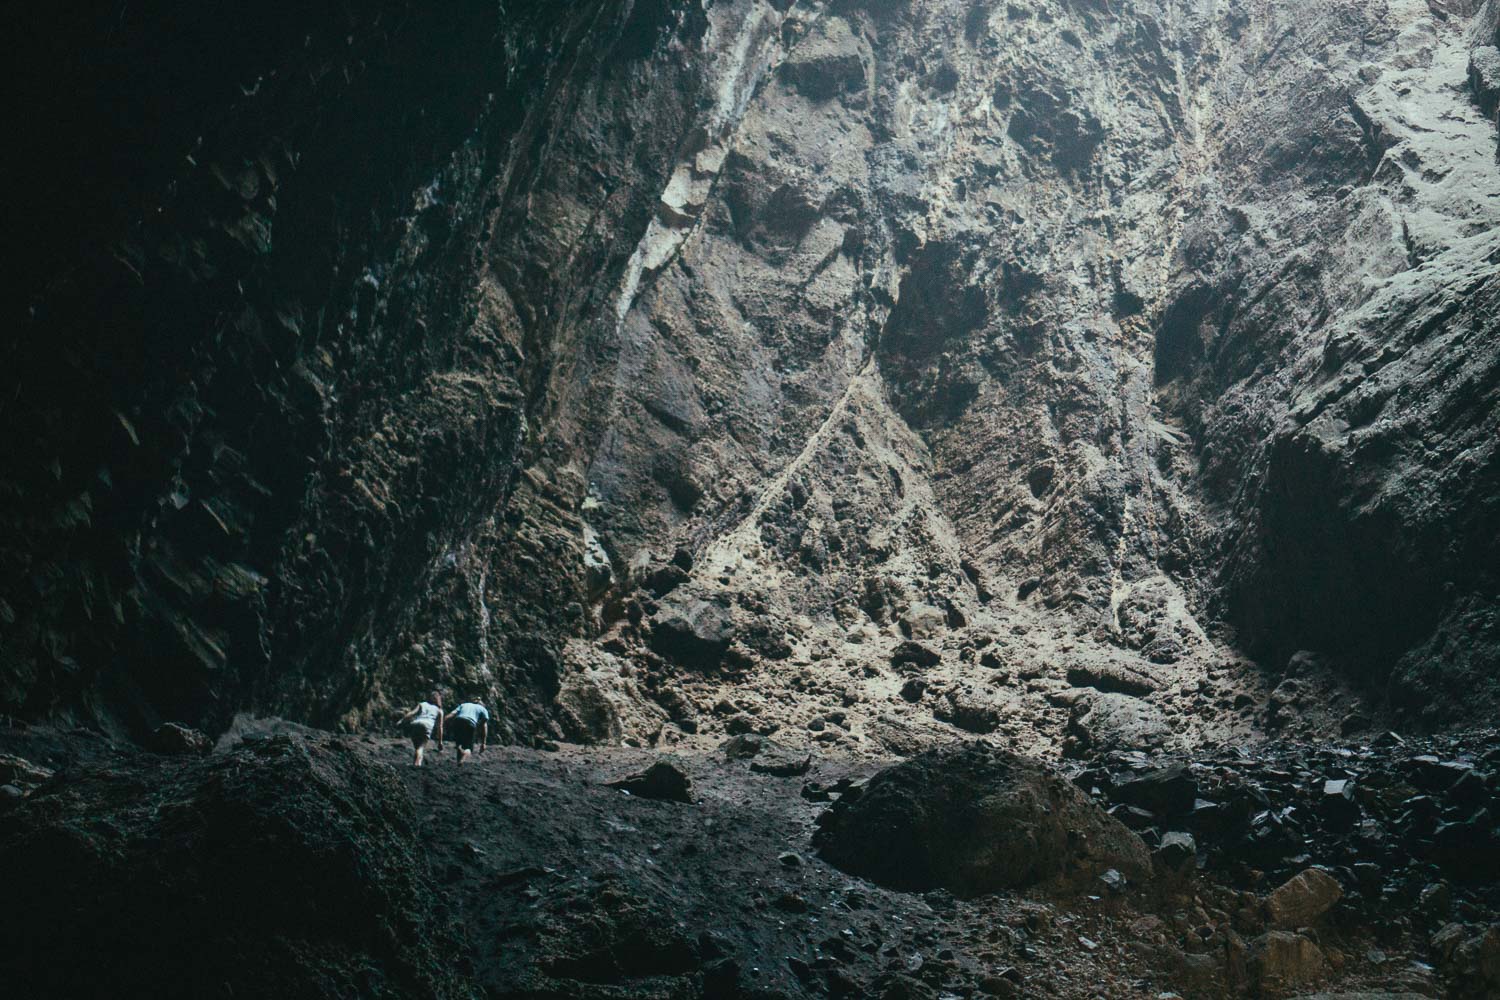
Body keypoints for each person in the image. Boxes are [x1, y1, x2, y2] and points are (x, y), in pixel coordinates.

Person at [398, 691, 444, 766]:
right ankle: (417, 765)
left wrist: (401, 720)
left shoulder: (422, 704)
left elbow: (411, 713)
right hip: (427, 726)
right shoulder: (439, 711)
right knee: (420, 747)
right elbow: (440, 727)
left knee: (417, 747)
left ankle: (415, 763)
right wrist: (440, 742)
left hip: (416, 723)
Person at [444, 699, 490, 764]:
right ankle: (463, 759)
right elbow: (484, 725)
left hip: (458, 721)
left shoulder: (464, 705)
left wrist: (443, 722)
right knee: (469, 748)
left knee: (459, 743)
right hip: (470, 723)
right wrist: (483, 743)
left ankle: (458, 761)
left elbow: (452, 714)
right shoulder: (483, 709)